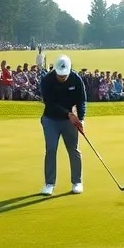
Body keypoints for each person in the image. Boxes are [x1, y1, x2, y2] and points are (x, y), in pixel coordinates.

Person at [39, 54, 86, 196]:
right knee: (51, 149)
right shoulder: (47, 80)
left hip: (69, 121)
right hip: (50, 119)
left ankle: (77, 182)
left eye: (64, 76)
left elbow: (81, 100)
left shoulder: (76, 79)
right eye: (60, 76)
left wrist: (81, 119)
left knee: (74, 150)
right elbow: (50, 104)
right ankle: (49, 184)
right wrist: (69, 114)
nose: (62, 78)